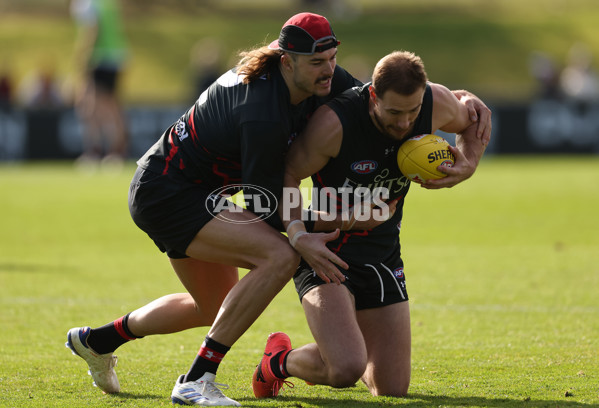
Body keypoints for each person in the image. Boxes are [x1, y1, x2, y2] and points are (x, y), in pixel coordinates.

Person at [65, 13, 491, 406]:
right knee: (280, 254)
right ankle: (197, 379)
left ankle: (98, 340)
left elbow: (368, 97)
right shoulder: (263, 112)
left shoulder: (314, 78)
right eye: (316, 62)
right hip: (167, 192)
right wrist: (308, 232)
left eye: (332, 58)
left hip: (195, 191)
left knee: (214, 307)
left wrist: (459, 102)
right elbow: (265, 203)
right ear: (287, 62)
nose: (328, 70)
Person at [251, 50, 489, 399]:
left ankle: (321, 354)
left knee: (391, 388)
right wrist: (302, 233)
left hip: (382, 252)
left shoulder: (435, 102)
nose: (405, 123)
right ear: (373, 96)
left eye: (413, 111)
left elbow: (475, 120)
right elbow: (286, 176)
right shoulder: (334, 124)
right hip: (326, 250)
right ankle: (279, 362)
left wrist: (468, 164)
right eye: (394, 112)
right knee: (346, 368)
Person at [70, 0, 129, 167]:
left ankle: (102, 152)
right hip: (115, 57)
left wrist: (82, 57)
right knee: (109, 106)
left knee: (93, 106)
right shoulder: (107, 3)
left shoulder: (87, 4)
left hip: (101, 59)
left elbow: (92, 30)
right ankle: (112, 152)